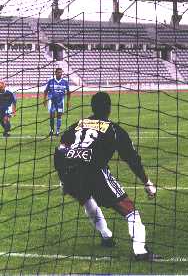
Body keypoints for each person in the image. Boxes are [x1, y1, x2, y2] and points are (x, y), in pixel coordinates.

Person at [54, 92, 161, 261]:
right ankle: (140, 251)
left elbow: (60, 149)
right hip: (95, 172)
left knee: (87, 199)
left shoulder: (77, 124)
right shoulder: (114, 129)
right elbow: (132, 159)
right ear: (109, 109)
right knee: (130, 211)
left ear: (92, 108)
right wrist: (147, 182)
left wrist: (62, 176)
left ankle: (106, 236)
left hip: (70, 171)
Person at [43, 68, 70, 136]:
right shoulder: (51, 81)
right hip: (52, 101)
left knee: (59, 115)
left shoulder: (65, 82)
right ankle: (51, 130)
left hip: (60, 101)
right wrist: (44, 99)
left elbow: (69, 92)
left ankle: (57, 131)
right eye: (58, 72)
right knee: (52, 115)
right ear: (55, 73)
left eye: (61, 72)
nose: (59, 74)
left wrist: (68, 101)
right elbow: (46, 91)